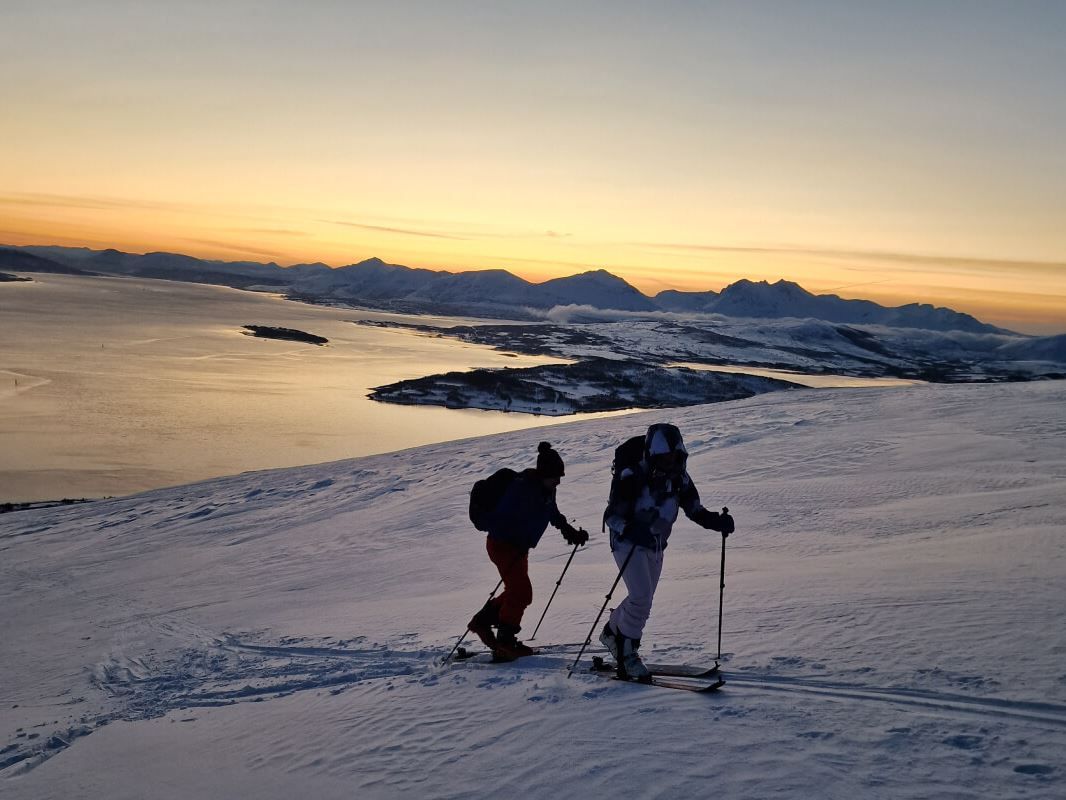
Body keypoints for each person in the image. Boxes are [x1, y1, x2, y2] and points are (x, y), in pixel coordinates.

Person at [599, 423, 734, 681]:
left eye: (675, 456)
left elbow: (694, 509)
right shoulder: (633, 475)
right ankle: (628, 656)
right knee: (641, 598)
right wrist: (630, 529)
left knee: (642, 599)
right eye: (665, 457)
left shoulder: (679, 477)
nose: (670, 461)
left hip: (657, 544)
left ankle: (611, 631)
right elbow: (612, 516)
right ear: (653, 454)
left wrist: (717, 521)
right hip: (627, 543)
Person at [468, 442, 589, 660]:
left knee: (517, 591)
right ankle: (505, 643)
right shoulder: (521, 489)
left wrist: (569, 532)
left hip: (519, 549)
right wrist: (512, 535)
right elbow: (496, 520)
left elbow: (552, 513)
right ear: (544, 474)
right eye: (556, 477)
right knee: (521, 592)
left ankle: (483, 622)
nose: (559, 481)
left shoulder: (546, 490)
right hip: (502, 546)